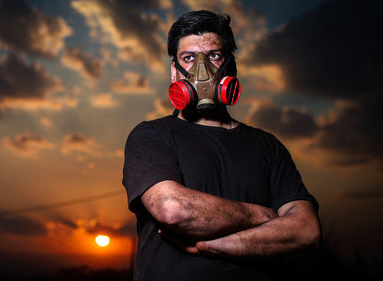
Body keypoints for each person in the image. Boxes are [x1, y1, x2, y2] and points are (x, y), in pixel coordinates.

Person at [122, 10, 321, 281]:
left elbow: (306, 230)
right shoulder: (151, 136)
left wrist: (211, 246)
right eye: (189, 58)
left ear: (231, 66)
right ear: (174, 71)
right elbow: (172, 209)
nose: (202, 69)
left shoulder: (268, 146)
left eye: (214, 56)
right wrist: (258, 214)